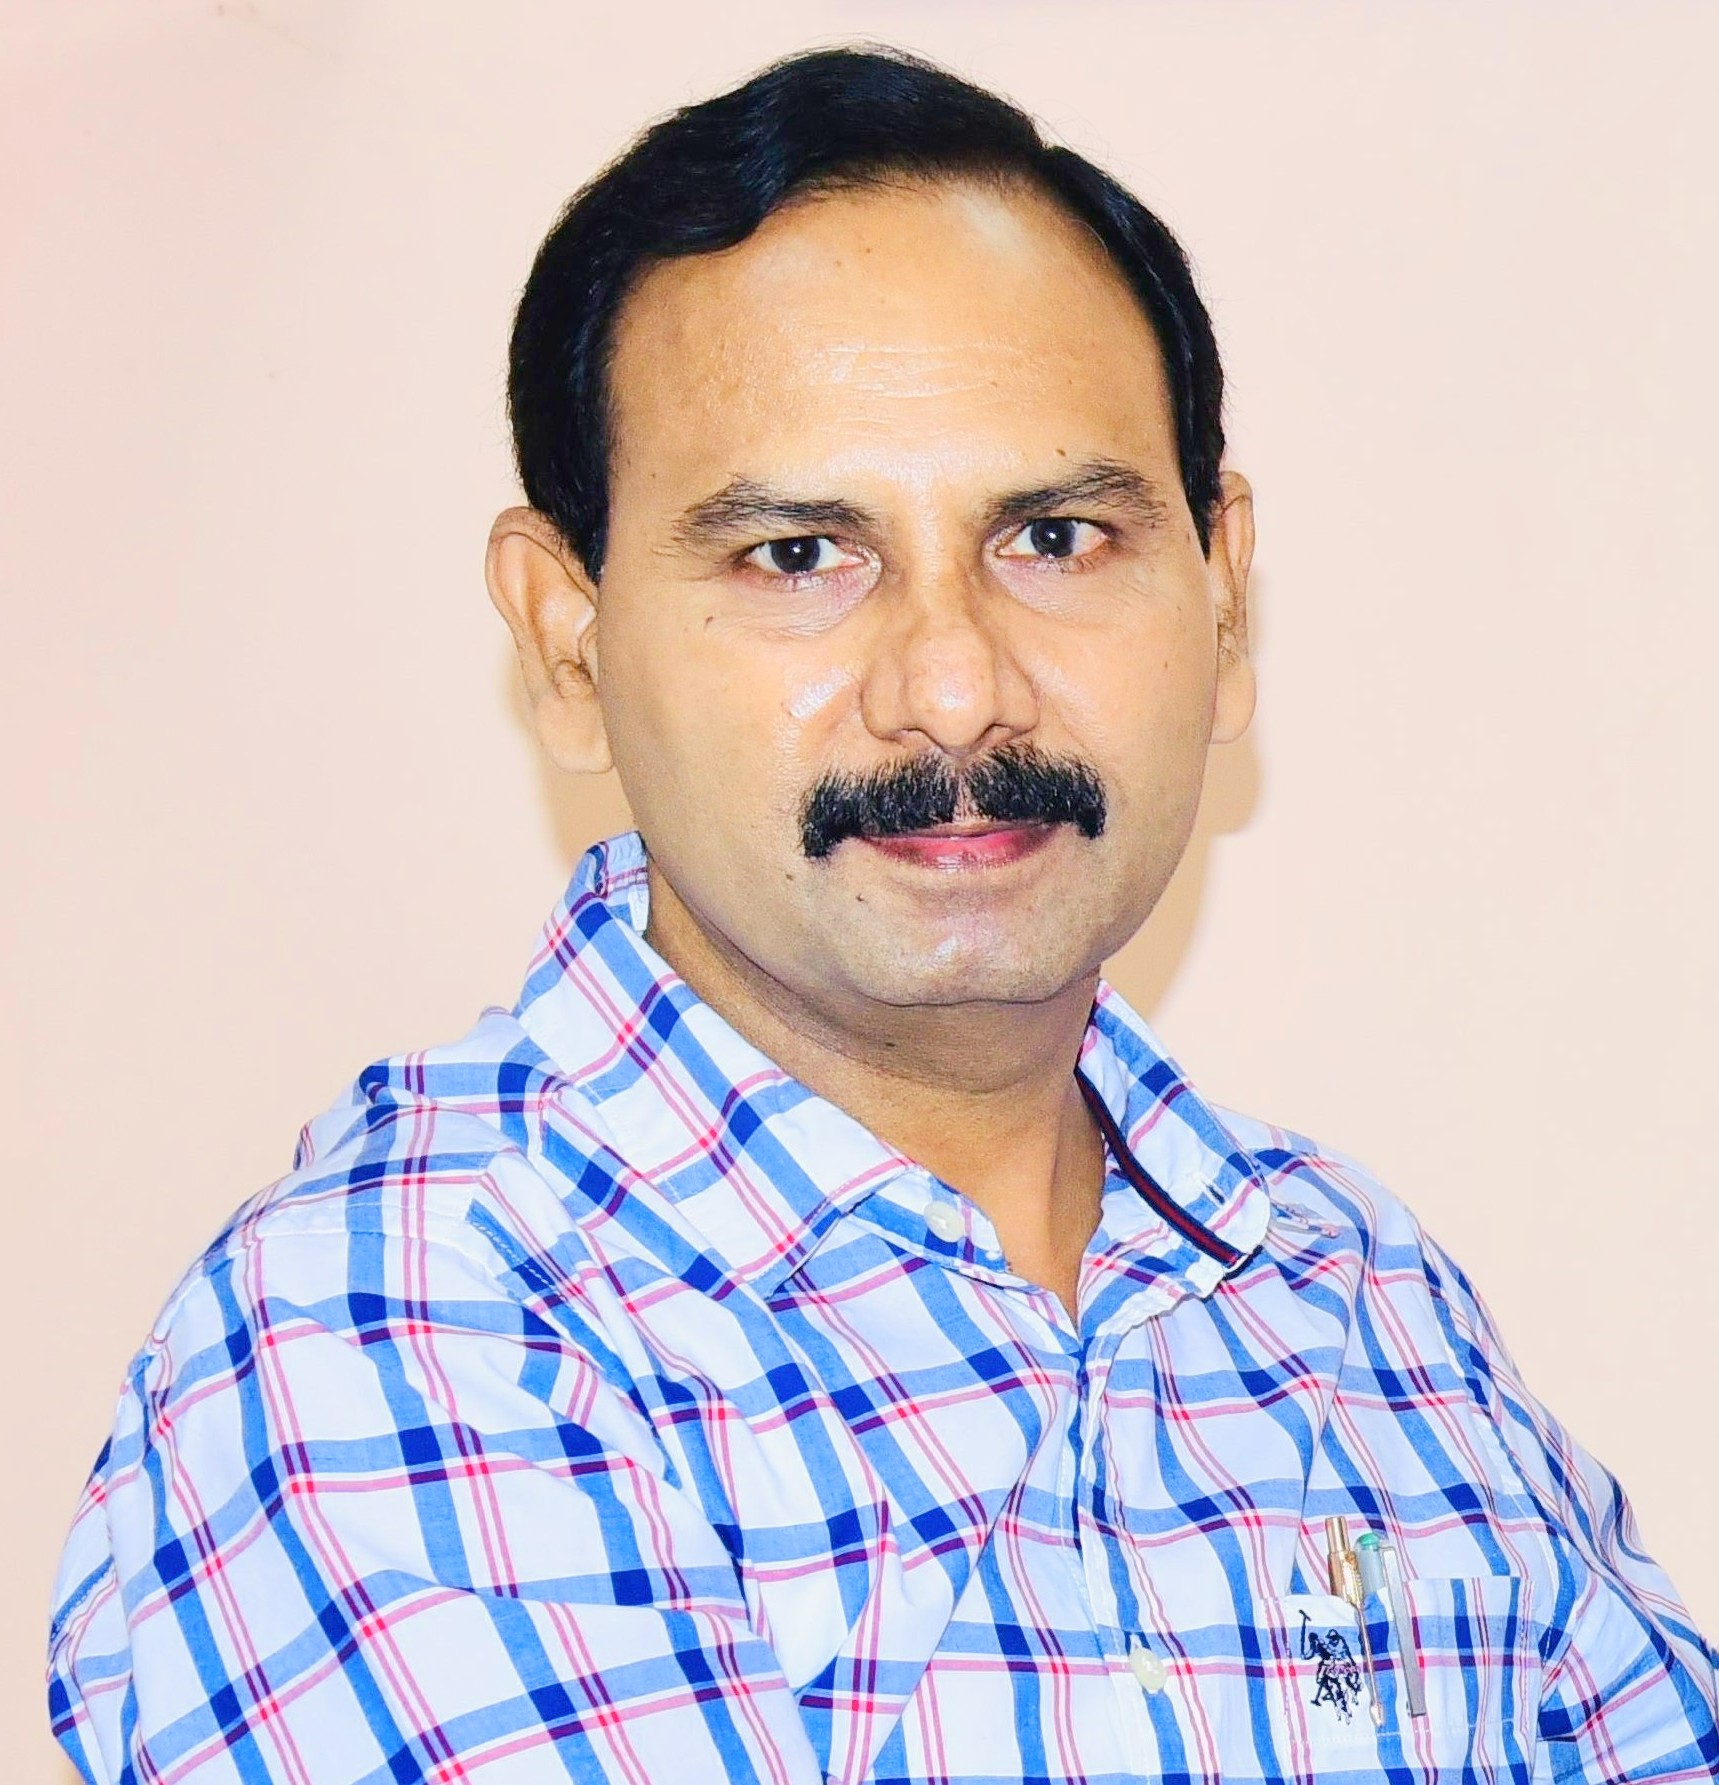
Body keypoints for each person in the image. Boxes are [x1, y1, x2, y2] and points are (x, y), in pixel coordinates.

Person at [46, 42, 1717, 1785]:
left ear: (1225, 603)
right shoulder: (394, 1335)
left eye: (1055, 537)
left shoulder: (1355, 1298)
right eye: (798, 556)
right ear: (568, 642)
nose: (954, 685)